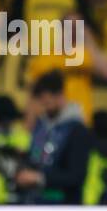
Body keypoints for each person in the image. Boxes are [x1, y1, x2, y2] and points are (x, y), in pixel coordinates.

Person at [18, 71, 92, 204]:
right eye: (43, 102)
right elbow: (36, 157)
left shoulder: (77, 130)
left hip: (64, 207)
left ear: (61, 95)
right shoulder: (40, 126)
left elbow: (76, 176)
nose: (45, 106)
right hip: (36, 203)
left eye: (48, 101)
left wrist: (39, 178)